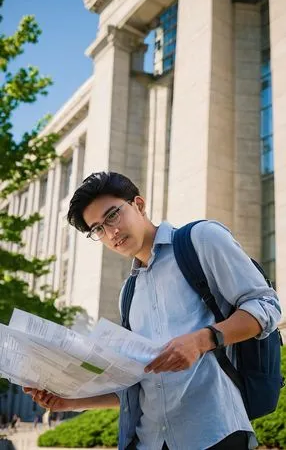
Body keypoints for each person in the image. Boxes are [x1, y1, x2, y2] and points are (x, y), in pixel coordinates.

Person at [25, 171, 281, 450]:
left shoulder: (201, 240)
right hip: (150, 441)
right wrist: (71, 401)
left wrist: (202, 339)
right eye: (97, 229)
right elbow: (138, 382)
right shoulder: (128, 293)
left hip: (214, 432)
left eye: (112, 215)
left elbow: (266, 306)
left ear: (139, 204)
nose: (111, 233)